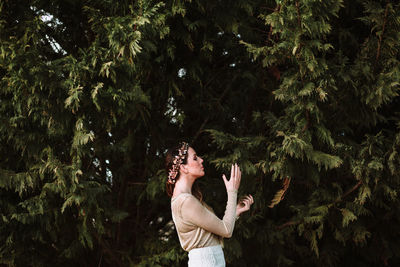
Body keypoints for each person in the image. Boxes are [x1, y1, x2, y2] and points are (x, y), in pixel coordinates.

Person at [166, 141, 254, 267]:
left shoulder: (185, 199)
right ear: (183, 167)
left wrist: (234, 212)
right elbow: (226, 230)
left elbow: (212, 234)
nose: (201, 160)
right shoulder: (185, 201)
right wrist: (232, 191)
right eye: (195, 158)